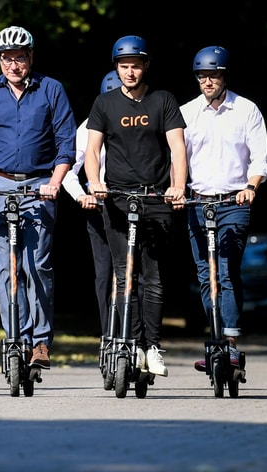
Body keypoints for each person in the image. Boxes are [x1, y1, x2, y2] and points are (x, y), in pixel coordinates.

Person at [0, 26, 76, 370]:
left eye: (19, 58)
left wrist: (55, 182)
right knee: (7, 268)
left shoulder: (51, 90)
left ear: (31, 57)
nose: (13, 65)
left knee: (38, 265)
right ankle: (15, 337)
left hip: (39, 186)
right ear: (0, 61)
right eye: (7, 59)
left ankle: (40, 343)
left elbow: (67, 143)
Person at [85, 35, 188, 377]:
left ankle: (151, 346)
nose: (129, 72)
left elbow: (177, 148)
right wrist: (95, 183)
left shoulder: (163, 101)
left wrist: (177, 186)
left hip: (156, 197)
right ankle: (130, 342)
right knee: (124, 275)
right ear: (116, 67)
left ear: (146, 66)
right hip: (116, 198)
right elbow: (92, 151)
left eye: (135, 65)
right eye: (123, 66)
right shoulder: (104, 103)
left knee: (154, 277)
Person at [179, 46, 267, 372]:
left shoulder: (246, 110)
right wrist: (177, 188)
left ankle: (229, 345)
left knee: (227, 270)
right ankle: (216, 337)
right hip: (198, 202)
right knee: (206, 275)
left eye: (213, 75)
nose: (207, 81)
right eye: (202, 75)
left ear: (224, 76)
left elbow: (260, 158)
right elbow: (177, 157)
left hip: (234, 201)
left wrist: (251, 187)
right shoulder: (187, 113)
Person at [61, 70, 121, 334]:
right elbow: (67, 170)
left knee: (134, 273)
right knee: (104, 273)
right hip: (98, 207)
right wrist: (81, 195)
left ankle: (135, 334)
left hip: (131, 205)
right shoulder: (87, 128)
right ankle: (109, 333)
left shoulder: (138, 122)